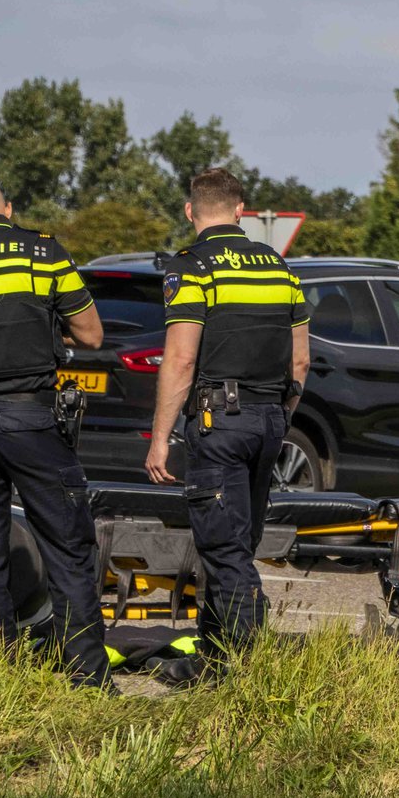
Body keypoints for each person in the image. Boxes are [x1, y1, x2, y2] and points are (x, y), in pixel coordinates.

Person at [0, 180, 109, 687]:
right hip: (30, 419)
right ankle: (85, 674)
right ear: (8, 210)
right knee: (68, 545)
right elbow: (92, 334)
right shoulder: (42, 252)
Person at [145, 168, 310, 667]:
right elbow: (300, 362)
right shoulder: (280, 269)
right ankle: (213, 659)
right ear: (241, 211)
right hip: (269, 423)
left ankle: (245, 668)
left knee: (224, 549)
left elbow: (180, 359)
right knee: (239, 541)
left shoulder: (192, 266)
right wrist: (280, 416)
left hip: (220, 422)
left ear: (190, 211)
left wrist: (160, 439)